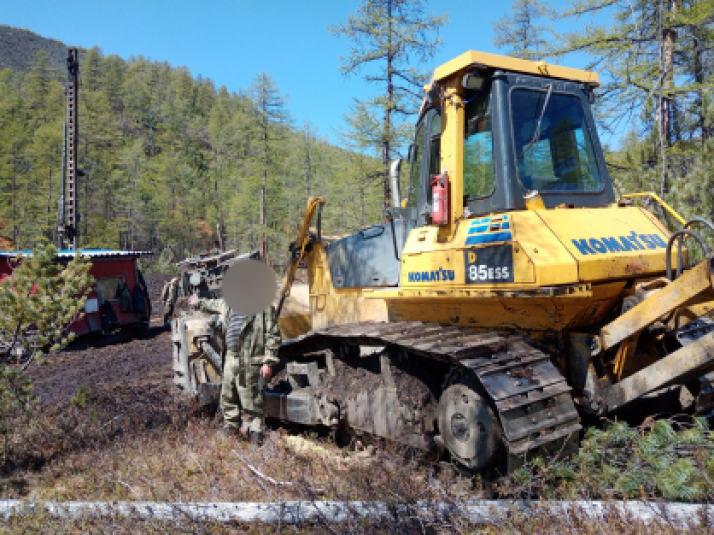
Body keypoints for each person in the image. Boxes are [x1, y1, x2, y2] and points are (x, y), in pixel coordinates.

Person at [187, 292, 281, 445]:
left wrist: (268, 362)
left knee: (253, 401)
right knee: (228, 397)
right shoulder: (229, 304)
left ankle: (256, 439)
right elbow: (213, 305)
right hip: (230, 357)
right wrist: (198, 302)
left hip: (251, 360)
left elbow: (273, 335)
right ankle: (231, 436)